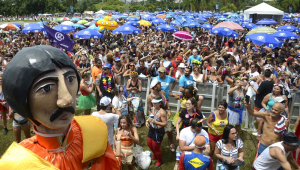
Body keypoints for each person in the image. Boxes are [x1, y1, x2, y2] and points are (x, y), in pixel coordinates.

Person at [0, 46, 119, 169]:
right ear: (20, 101)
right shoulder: (18, 164)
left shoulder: (95, 132)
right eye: (47, 88)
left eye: (70, 79)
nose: (67, 100)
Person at [147, 78, 175, 152]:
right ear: (155, 87)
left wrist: (169, 110)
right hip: (155, 117)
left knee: (169, 130)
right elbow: (149, 110)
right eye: (159, 84)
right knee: (155, 131)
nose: (161, 85)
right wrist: (152, 118)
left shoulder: (162, 92)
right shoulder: (149, 97)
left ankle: (171, 142)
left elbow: (166, 102)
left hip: (163, 114)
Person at [146, 96, 167, 168]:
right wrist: (147, 121)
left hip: (158, 131)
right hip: (152, 129)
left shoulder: (162, 112)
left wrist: (155, 122)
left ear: (160, 103)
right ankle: (155, 155)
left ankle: (160, 161)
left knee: (156, 148)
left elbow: (165, 124)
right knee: (149, 144)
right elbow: (151, 116)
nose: (153, 104)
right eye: (153, 102)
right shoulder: (153, 108)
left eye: (155, 103)